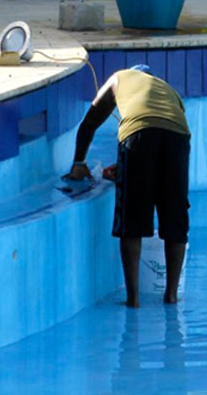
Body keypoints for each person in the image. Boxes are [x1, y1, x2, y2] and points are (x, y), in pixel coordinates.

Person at [68, 64, 191, 306]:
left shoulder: (119, 78)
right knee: (175, 216)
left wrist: (79, 162)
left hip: (137, 134)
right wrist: (126, 167)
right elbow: (162, 134)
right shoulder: (168, 90)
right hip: (178, 137)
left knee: (132, 218)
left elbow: (89, 122)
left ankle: (133, 299)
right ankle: (171, 296)